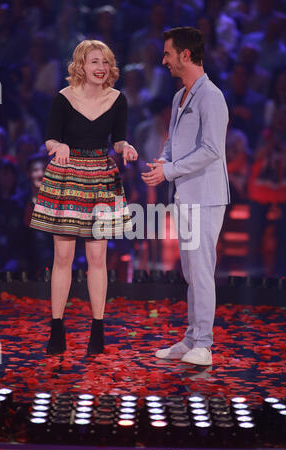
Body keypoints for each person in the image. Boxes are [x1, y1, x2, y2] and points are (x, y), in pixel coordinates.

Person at [29, 39, 138, 356]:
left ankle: (98, 330)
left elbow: (117, 140)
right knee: (62, 258)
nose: (100, 68)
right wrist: (58, 146)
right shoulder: (63, 99)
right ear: (81, 65)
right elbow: (50, 137)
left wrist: (125, 148)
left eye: (104, 62)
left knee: (97, 260)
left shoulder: (118, 100)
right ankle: (57, 328)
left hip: (99, 180)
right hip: (67, 178)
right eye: (94, 62)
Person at [142, 27, 230, 366]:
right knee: (191, 271)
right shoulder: (181, 96)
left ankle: (204, 344)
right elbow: (173, 141)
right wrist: (163, 162)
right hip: (185, 195)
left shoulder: (212, 96)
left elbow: (211, 149)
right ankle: (192, 337)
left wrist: (170, 170)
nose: (164, 61)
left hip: (206, 196)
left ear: (186, 55)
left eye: (168, 54)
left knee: (202, 269)